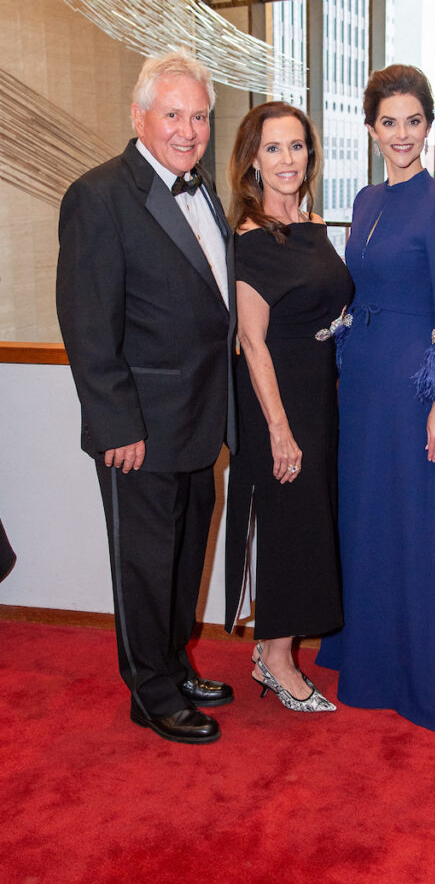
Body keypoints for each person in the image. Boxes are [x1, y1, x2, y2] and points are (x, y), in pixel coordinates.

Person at [56, 50, 237, 745]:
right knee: (143, 565)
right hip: (139, 429)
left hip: (200, 422)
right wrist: (114, 426)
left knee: (183, 559)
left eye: (198, 116)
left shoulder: (203, 193)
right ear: (139, 117)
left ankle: (174, 664)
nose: (187, 129)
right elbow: (87, 323)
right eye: (173, 114)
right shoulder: (99, 195)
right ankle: (150, 691)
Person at [316, 65, 435, 731]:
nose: (402, 134)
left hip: (414, 387)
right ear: (372, 128)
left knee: (416, 526)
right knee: (366, 519)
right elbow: (354, 293)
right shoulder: (365, 200)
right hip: (363, 384)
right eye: (390, 122)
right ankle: (368, 658)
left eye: (414, 121)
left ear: (428, 127)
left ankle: (426, 682)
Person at [224, 101, 353, 712]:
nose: (287, 159)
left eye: (296, 146)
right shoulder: (249, 240)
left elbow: (324, 305)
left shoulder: (314, 222)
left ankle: (274, 649)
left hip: (318, 395)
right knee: (288, 528)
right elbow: (252, 340)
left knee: (309, 525)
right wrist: (279, 430)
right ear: (252, 159)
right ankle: (276, 658)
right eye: (273, 148)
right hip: (278, 403)